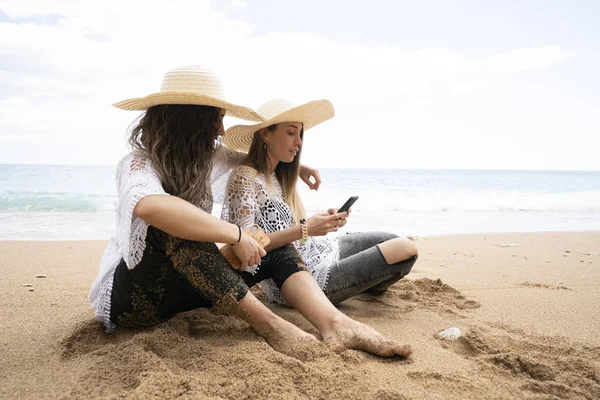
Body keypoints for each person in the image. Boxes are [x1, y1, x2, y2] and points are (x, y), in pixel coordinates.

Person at [88, 66, 412, 359]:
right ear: (189, 121)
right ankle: (271, 324)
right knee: (182, 225)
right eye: (216, 119)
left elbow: (254, 155)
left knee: (276, 248)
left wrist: (299, 168)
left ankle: (336, 324)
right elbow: (152, 206)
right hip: (135, 303)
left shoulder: (208, 157)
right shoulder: (138, 163)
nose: (220, 130)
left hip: (186, 291)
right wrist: (237, 234)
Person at [221, 99, 418, 306]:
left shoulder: (278, 177)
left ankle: (361, 285)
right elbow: (245, 244)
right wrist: (306, 229)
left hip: (318, 250)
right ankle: (358, 285)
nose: (299, 142)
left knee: (392, 239)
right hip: (304, 278)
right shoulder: (245, 178)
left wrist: (324, 221)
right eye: (291, 133)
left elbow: (290, 229)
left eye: (300, 134)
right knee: (405, 249)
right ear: (266, 134)